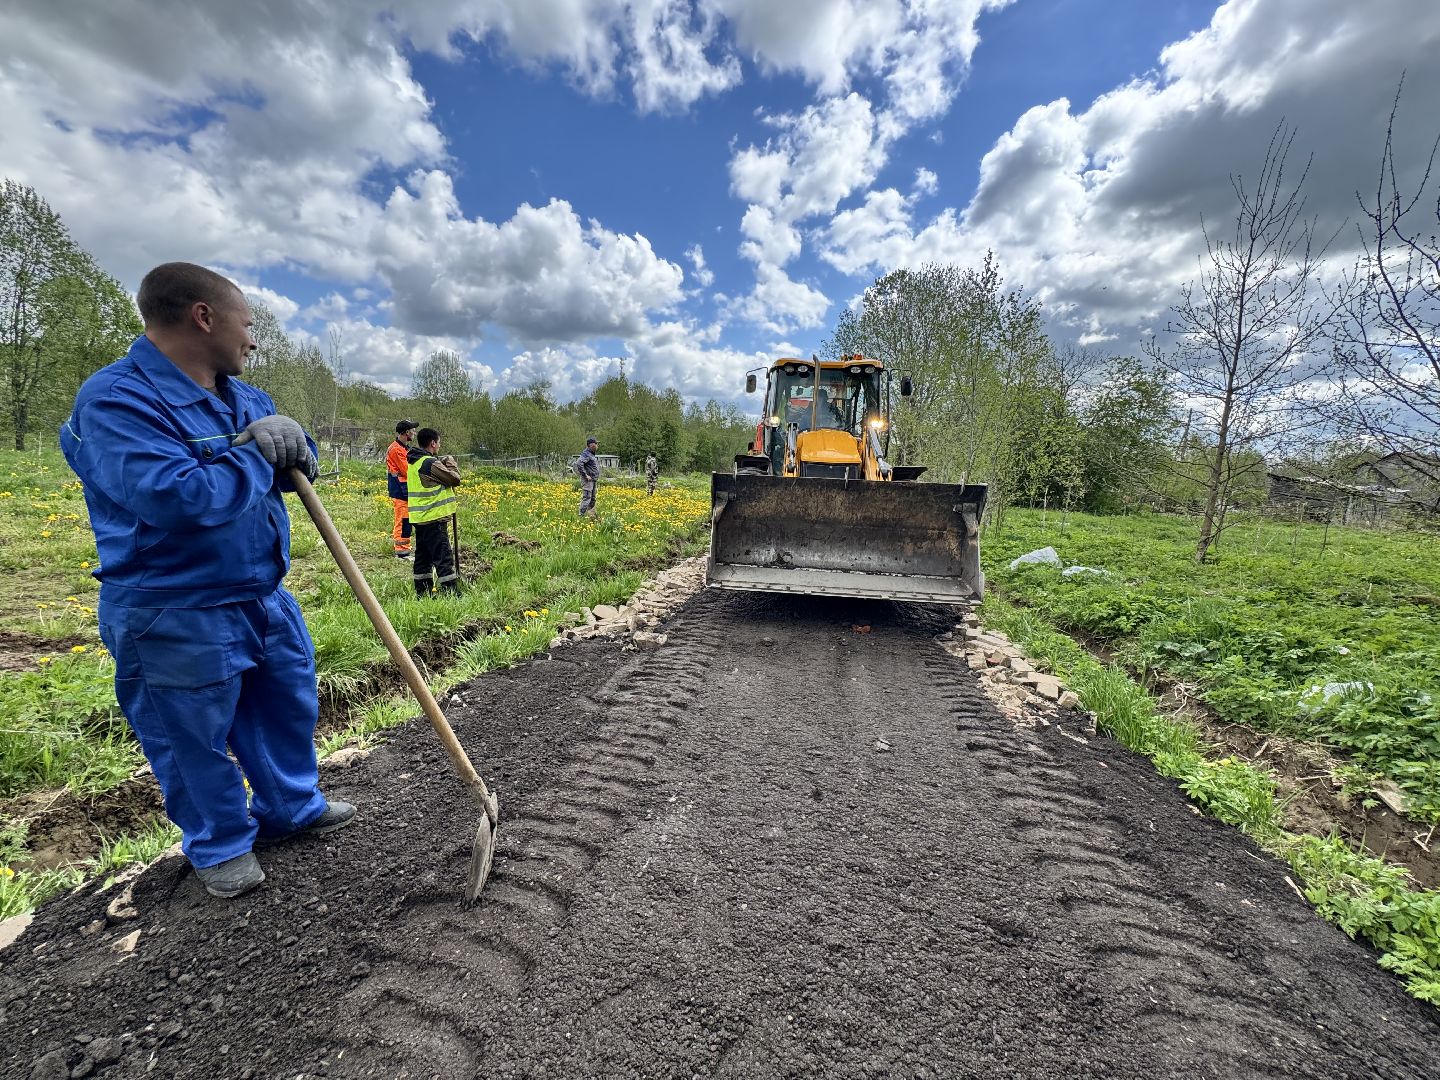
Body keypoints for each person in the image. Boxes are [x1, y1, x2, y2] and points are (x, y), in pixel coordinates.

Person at [59, 261, 354, 900]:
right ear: (204, 316)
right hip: (174, 606)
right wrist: (253, 453)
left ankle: (292, 809)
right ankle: (219, 843)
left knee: (285, 708)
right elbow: (177, 497)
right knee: (190, 734)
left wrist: (297, 447)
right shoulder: (116, 400)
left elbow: (293, 470)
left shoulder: (246, 395)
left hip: (260, 593)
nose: (253, 340)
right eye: (248, 325)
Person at [407, 428, 462, 596]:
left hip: (420, 518)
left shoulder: (414, 462)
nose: (439, 445)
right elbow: (454, 479)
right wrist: (450, 462)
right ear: (433, 443)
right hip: (433, 518)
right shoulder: (429, 463)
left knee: (423, 557)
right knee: (443, 556)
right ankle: (451, 593)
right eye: (438, 442)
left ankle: (423, 592)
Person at [387, 420, 417, 559]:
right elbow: (407, 470)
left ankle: (404, 548)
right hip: (400, 490)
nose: (415, 433)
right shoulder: (396, 449)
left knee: (406, 519)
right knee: (402, 520)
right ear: (406, 432)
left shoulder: (403, 448)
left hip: (403, 489)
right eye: (413, 430)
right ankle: (402, 551)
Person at [576, 436, 601, 517]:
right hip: (588, 481)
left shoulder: (591, 454)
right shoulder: (586, 454)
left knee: (592, 499)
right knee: (587, 497)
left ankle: (591, 514)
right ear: (591, 445)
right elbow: (579, 463)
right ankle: (581, 515)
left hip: (593, 480)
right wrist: (585, 475)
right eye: (596, 443)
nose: (597, 445)